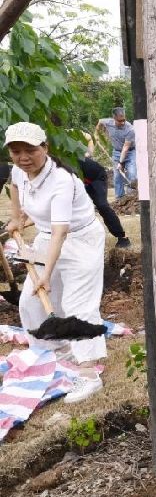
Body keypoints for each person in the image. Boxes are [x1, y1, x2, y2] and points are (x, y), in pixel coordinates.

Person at [4, 122, 106, 402]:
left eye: (30, 151)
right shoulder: (18, 170)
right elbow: (14, 184)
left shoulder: (60, 180)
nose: (23, 158)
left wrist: (46, 275)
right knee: (30, 301)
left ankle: (88, 373)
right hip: (46, 237)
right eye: (16, 152)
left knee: (77, 305)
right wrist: (17, 216)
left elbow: (62, 231)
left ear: (45, 148)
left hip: (79, 239)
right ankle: (54, 351)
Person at [77, 156, 130, 248]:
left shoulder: (65, 158)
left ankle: (122, 237)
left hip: (97, 177)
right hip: (82, 179)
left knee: (102, 206)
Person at [96, 107, 136, 198]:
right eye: (120, 120)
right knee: (117, 176)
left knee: (132, 174)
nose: (122, 122)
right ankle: (119, 198)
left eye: (124, 120)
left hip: (130, 152)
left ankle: (132, 197)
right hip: (116, 152)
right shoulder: (108, 122)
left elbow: (126, 148)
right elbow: (100, 122)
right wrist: (96, 135)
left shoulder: (130, 129)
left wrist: (120, 163)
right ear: (114, 118)